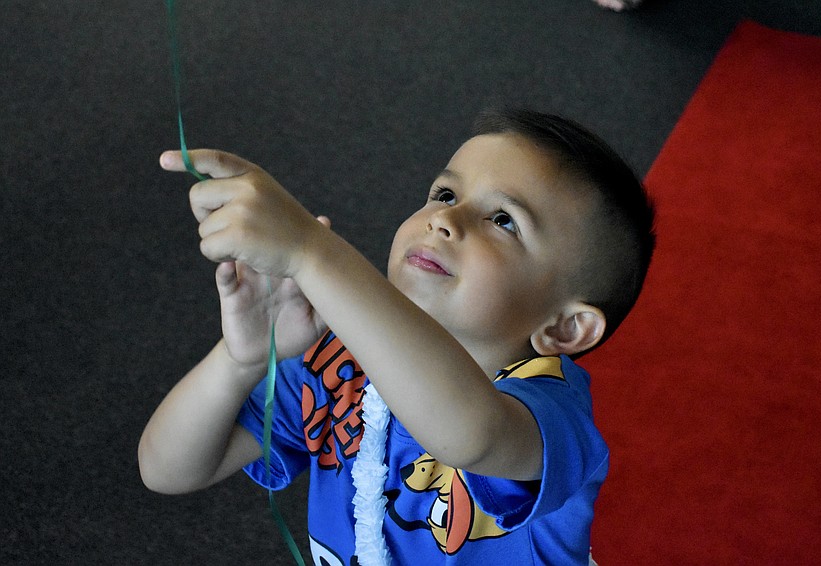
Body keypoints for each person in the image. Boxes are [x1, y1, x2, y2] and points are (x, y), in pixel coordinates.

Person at [138, 108, 655, 565]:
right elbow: (167, 469)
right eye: (445, 193)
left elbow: (468, 435)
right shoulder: (335, 362)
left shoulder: (552, 415)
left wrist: (313, 251)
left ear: (565, 327)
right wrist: (239, 360)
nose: (444, 220)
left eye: (503, 220)